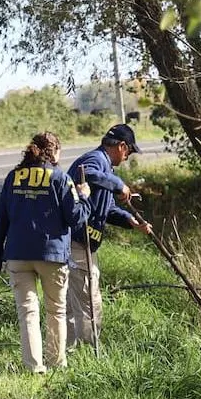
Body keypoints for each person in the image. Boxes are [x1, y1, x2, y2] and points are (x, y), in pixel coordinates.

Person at [0, 131, 92, 374]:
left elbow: (0, 222)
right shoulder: (60, 178)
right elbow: (76, 218)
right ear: (55, 152)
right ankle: (57, 363)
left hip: (18, 254)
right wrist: (84, 197)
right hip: (52, 255)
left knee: (27, 312)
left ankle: (34, 367)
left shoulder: (13, 177)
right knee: (56, 310)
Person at [65, 124, 154, 350]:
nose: (127, 157)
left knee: (72, 303)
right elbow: (87, 174)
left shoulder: (106, 168)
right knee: (89, 302)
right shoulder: (95, 160)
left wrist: (130, 220)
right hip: (77, 243)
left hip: (80, 243)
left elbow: (107, 208)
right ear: (121, 146)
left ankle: (67, 353)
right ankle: (89, 352)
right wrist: (119, 185)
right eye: (129, 151)